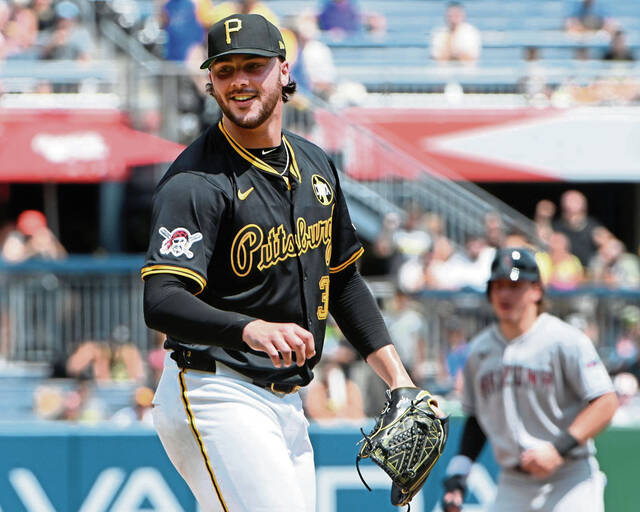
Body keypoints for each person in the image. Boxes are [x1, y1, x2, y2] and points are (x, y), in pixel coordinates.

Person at [142, 14, 442, 512]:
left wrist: (399, 379)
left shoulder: (315, 164)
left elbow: (343, 281)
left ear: (284, 70)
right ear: (211, 83)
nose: (239, 80)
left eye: (253, 66)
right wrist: (248, 328)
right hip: (215, 389)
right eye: (224, 70)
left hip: (285, 401)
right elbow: (161, 299)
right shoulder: (196, 181)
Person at [441, 247, 618, 512]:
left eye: (514, 285)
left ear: (536, 290)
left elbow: (605, 402)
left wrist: (559, 449)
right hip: (512, 482)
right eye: (497, 285)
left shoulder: (564, 340)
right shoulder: (479, 351)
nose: (504, 294)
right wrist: (459, 474)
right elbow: (477, 419)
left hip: (568, 477)